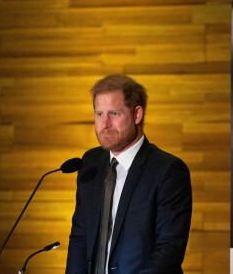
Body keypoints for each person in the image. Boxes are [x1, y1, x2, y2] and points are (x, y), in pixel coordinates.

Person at [65, 74, 192, 274]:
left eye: (114, 114)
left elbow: (169, 250)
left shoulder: (168, 170)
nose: (104, 123)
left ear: (137, 114)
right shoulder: (90, 163)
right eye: (99, 114)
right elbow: (80, 237)